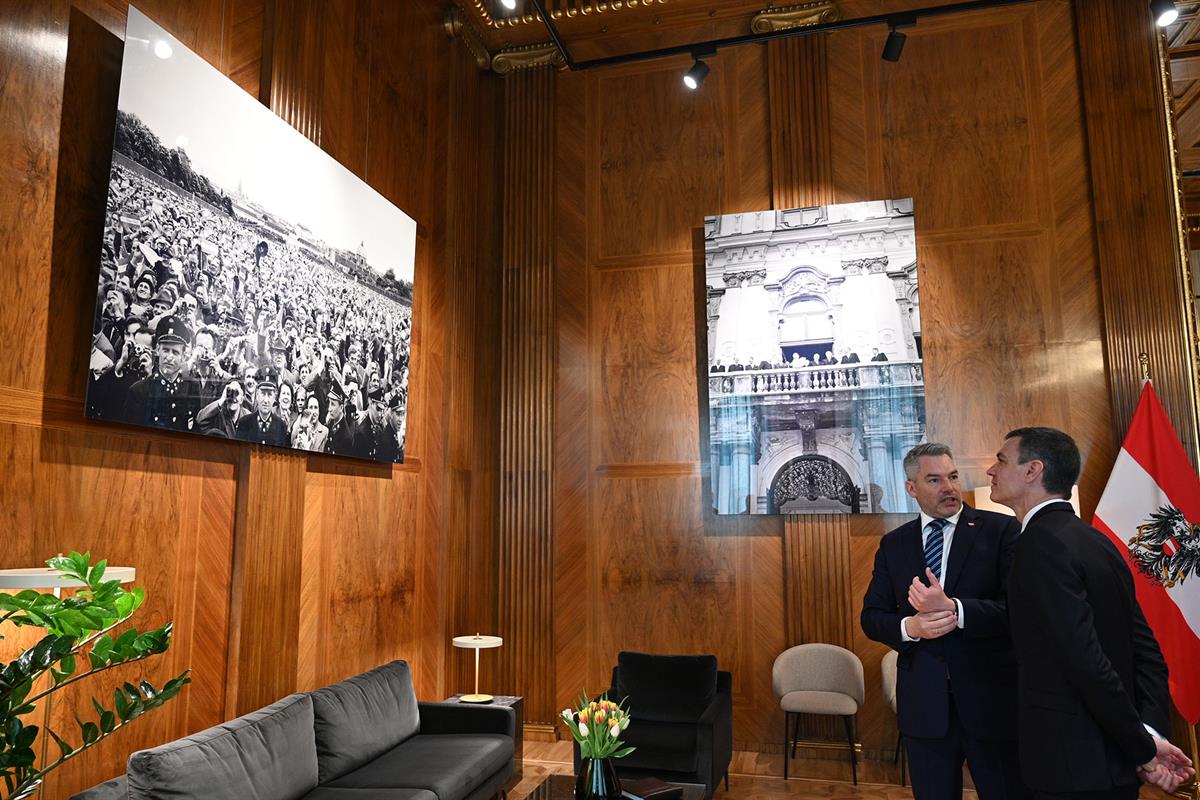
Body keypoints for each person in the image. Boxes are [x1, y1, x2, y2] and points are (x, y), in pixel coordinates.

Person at [986, 427, 1194, 799]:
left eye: (1001, 460)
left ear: (1033, 470)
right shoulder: (1096, 540)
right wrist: (1150, 734)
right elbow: (1146, 651)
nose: (991, 470)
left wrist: (1144, 750)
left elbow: (1083, 660)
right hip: (1112, 762)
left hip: (1070, 767)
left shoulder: (1039, 544)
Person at [861, 443, 1026, 800]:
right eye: (934, 480)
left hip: (991, 704)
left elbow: (1019, 611)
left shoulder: (1001, 531)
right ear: (911, 488)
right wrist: (911, 628)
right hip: (925, 707)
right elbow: (872, 617)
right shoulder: (894, 544)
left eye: (952, 477)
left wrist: (955, 609)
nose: (949, 487)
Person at [123, 315, 200, 432]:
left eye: (175, 352)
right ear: (158, 350)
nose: (169, 357)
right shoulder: (138, 391)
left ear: (183, 356)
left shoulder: (192, 387)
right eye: (166, 350)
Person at [234, 365, 290, 447]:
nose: (266, 400)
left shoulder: (281, 426)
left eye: (270, 394)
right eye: (263, 393)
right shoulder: (244, 423)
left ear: (275, 397)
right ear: (257, 394)